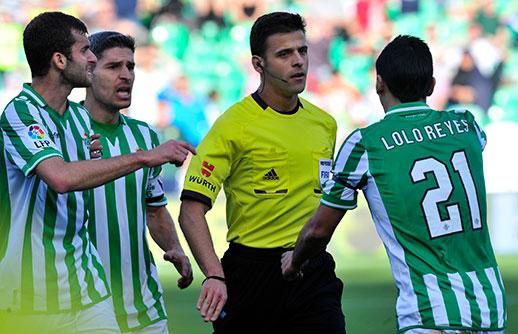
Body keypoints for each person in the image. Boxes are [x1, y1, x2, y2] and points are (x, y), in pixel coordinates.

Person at [281, 35, 507, 334]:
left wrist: (294, 261)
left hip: (429, 313)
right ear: (431, 85)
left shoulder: (366, 144)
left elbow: (319, 230)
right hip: (490, 308)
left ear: (379, 84)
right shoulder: (467, 125)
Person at [0, 11, 195, 333]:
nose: (92, 58)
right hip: (31, 295)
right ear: (60, 60)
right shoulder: (22, 112)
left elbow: (150, 203)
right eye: (85, 51)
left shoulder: (78, 120)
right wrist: (145, 158)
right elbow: (61, 178)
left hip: (88, 292)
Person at [178, 11, 344, 334]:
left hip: (311, 271)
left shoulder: (325, 125)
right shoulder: (232, 126)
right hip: (251, 275)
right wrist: (214, 274)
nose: (298, 61)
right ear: (258, 64)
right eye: (284, 54)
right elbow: (190, 210)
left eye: (302, 50)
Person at [84, 31, 193, 333]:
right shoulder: (66, 131)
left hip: (143, 305)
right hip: (82, 307)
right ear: (88, 71)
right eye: (113, 67)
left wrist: (175, 248)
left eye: (130, 67)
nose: (126, 76)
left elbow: (155, 208)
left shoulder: (144, 136)